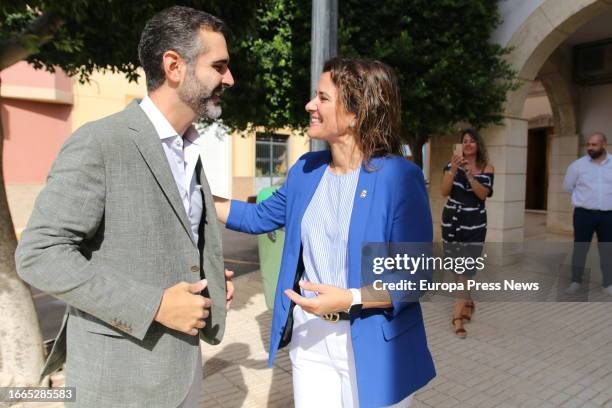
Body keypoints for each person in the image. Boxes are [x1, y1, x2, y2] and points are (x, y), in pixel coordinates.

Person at [15, 6, 235, 407]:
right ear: (174, 66)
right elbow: (38, 254)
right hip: (119, 383)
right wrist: (155, 305)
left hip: (182, 372)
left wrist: (210, 280)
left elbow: (167, 242)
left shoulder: (189, 148)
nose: (229, 79)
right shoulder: (101, 142)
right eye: (219, 66)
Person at [214, 57, 435, 408]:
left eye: (323, 98)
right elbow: (257, 217)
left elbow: (416, 276)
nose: (310, 105)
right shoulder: (306, 170)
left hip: (374, 341)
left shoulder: (399, 178)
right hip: (311, 337)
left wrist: (349, 298)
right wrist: (192, 192)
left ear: (356, 112)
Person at [440, 128, 494, 338]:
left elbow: (482, 195)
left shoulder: (487, 168)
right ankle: (468, 301)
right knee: (455, 266)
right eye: (465, 141)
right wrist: (453, 169)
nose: (469, 144)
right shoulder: (450, 166)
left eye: (472, 141)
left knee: (466, 270)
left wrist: (471, 175)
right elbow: (444, 192)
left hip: (474, 224)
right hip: (452, 221)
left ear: (478, 145)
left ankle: (457, 317)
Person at [563, 132, 612, 296]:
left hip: (608, 215)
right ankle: (576, 281)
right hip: (584, 214)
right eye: (588, 144)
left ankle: (608, 284)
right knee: (580, 248)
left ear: (604, 144)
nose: (590, 148)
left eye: (594, 145)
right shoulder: (577, 166)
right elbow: (568, 186)